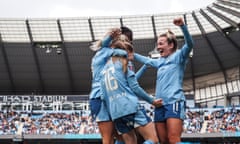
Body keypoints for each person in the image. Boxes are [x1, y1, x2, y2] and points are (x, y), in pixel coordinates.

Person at [133, 17, 194, 144]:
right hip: (159, 104)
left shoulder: (179, 57)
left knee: (173, 140)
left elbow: (190, 44)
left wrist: (183, 26)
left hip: (174, 102)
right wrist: (132, 54)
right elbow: (147, 61)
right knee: (163, 141)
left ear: (171, 45)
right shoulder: (160, 62)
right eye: (157, 44)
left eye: (161, 43)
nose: (158, 46)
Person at [100, 35, 161, 144]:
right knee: (153, 140)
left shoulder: (104, 70)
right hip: (130, 107)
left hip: (116, 113)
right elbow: (135, 87)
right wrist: (152, 100)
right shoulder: (124, 63)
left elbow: (103, 96)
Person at [89, 28, 127, 144]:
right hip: (100, 97)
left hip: (112, 98)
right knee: (108, 138)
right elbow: (124, 53)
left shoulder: (109, 58)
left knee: (120, 136)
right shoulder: (103, 53)